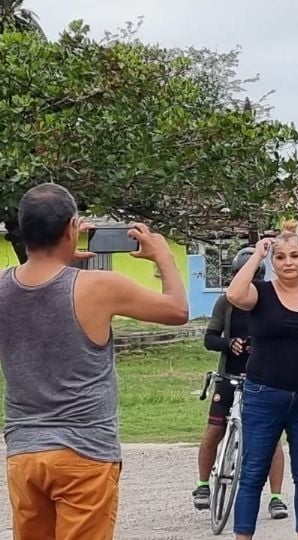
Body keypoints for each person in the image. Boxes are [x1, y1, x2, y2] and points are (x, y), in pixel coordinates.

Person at [0, 183, 189, 540]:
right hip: (84, 451)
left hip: (24, 452)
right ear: (73, 227)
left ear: (23, 229)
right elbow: (178, 310)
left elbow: (39, 296)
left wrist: (61, 262)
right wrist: (162, 255)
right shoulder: (98, 286)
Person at [225, 221, 298, 540]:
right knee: (253, 474)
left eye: (295, 256)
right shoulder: (260, 293)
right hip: (263, 394)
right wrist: (258, 255)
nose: (288, 263)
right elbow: (234, 294)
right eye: (281, 257)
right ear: (273, 262)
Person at [193, 247, 289, 520]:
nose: (244, 279)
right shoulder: (226, 302)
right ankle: (202, 485)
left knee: (272, 440)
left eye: (251, 275)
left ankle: (276, 497)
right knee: (214, 430)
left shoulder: (272, 300)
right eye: (238, 274)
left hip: (264, 378)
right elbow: (210, 338)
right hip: (229, 377)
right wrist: (229, 343)